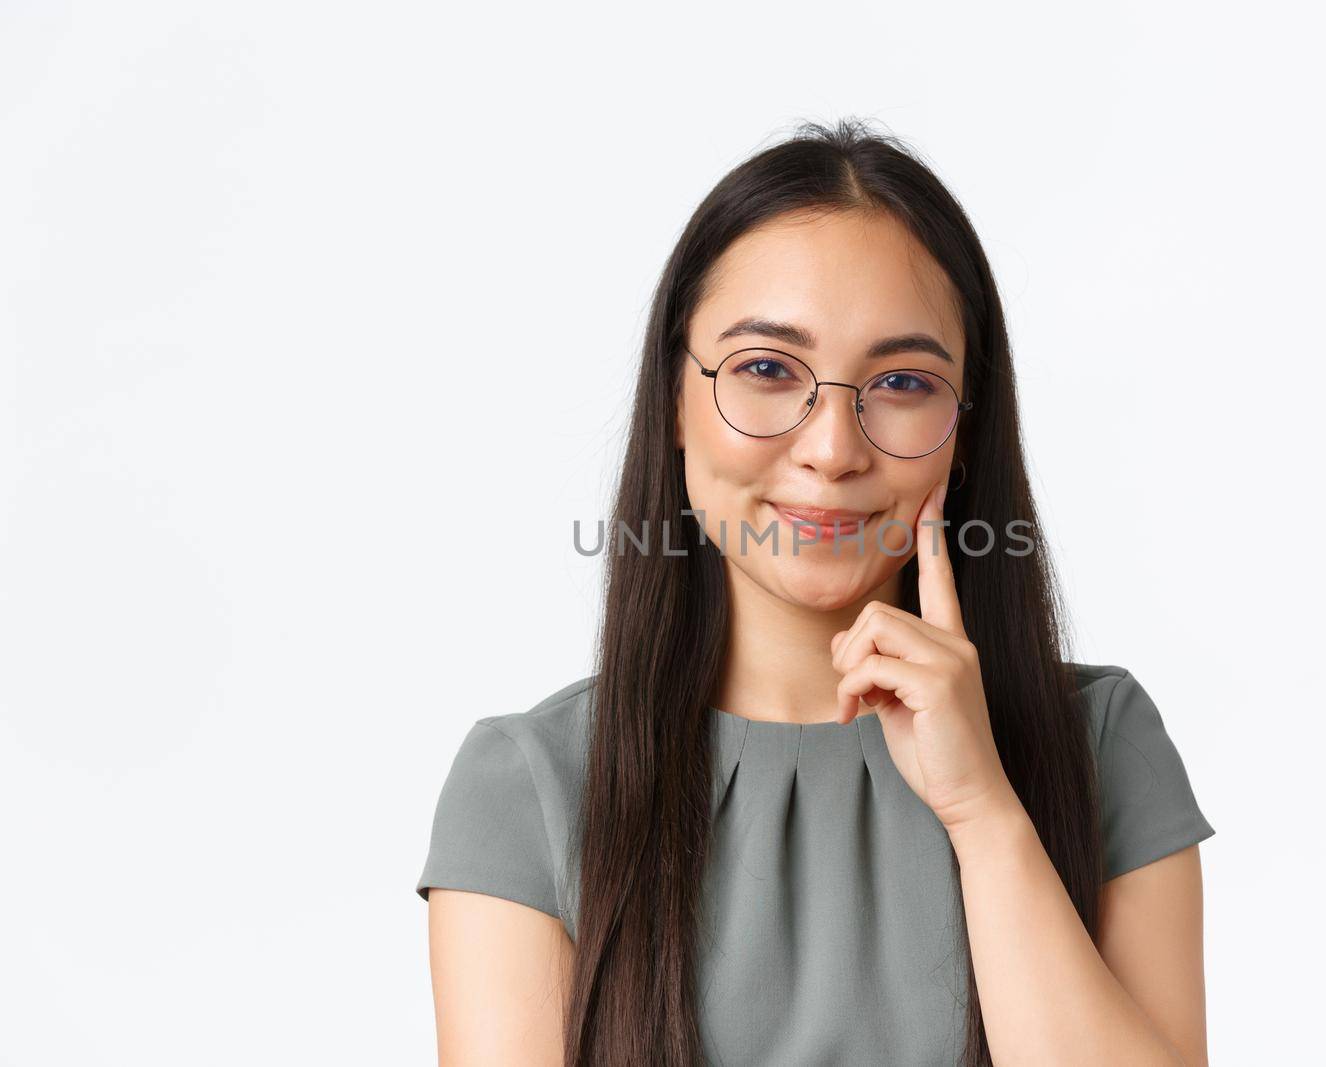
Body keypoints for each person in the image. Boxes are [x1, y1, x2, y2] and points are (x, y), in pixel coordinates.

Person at [415, 118, 1216, 1066]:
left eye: (903, 382)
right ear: (674, 397)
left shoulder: (1102, 744)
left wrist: (985, 815)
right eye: (765, 370)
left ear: (965, 432)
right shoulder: (530, 788)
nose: (833, 448)